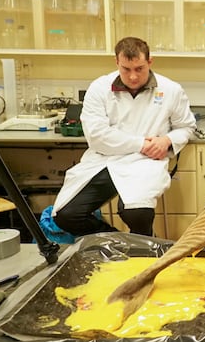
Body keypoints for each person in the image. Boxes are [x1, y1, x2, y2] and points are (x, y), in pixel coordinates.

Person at [52, 37, 196, 237]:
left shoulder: (171, 90)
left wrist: (166, 140)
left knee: (136, 213)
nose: (133, 76)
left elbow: (186, 126)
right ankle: (119, 243)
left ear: (150, 62)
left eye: (139, 68)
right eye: (126, 69)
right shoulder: (99, 88)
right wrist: (140, 144)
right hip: (105, 160)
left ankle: (144, 250)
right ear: (116, 63)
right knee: (66, 216)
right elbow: (97, 136)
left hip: (145, 163)